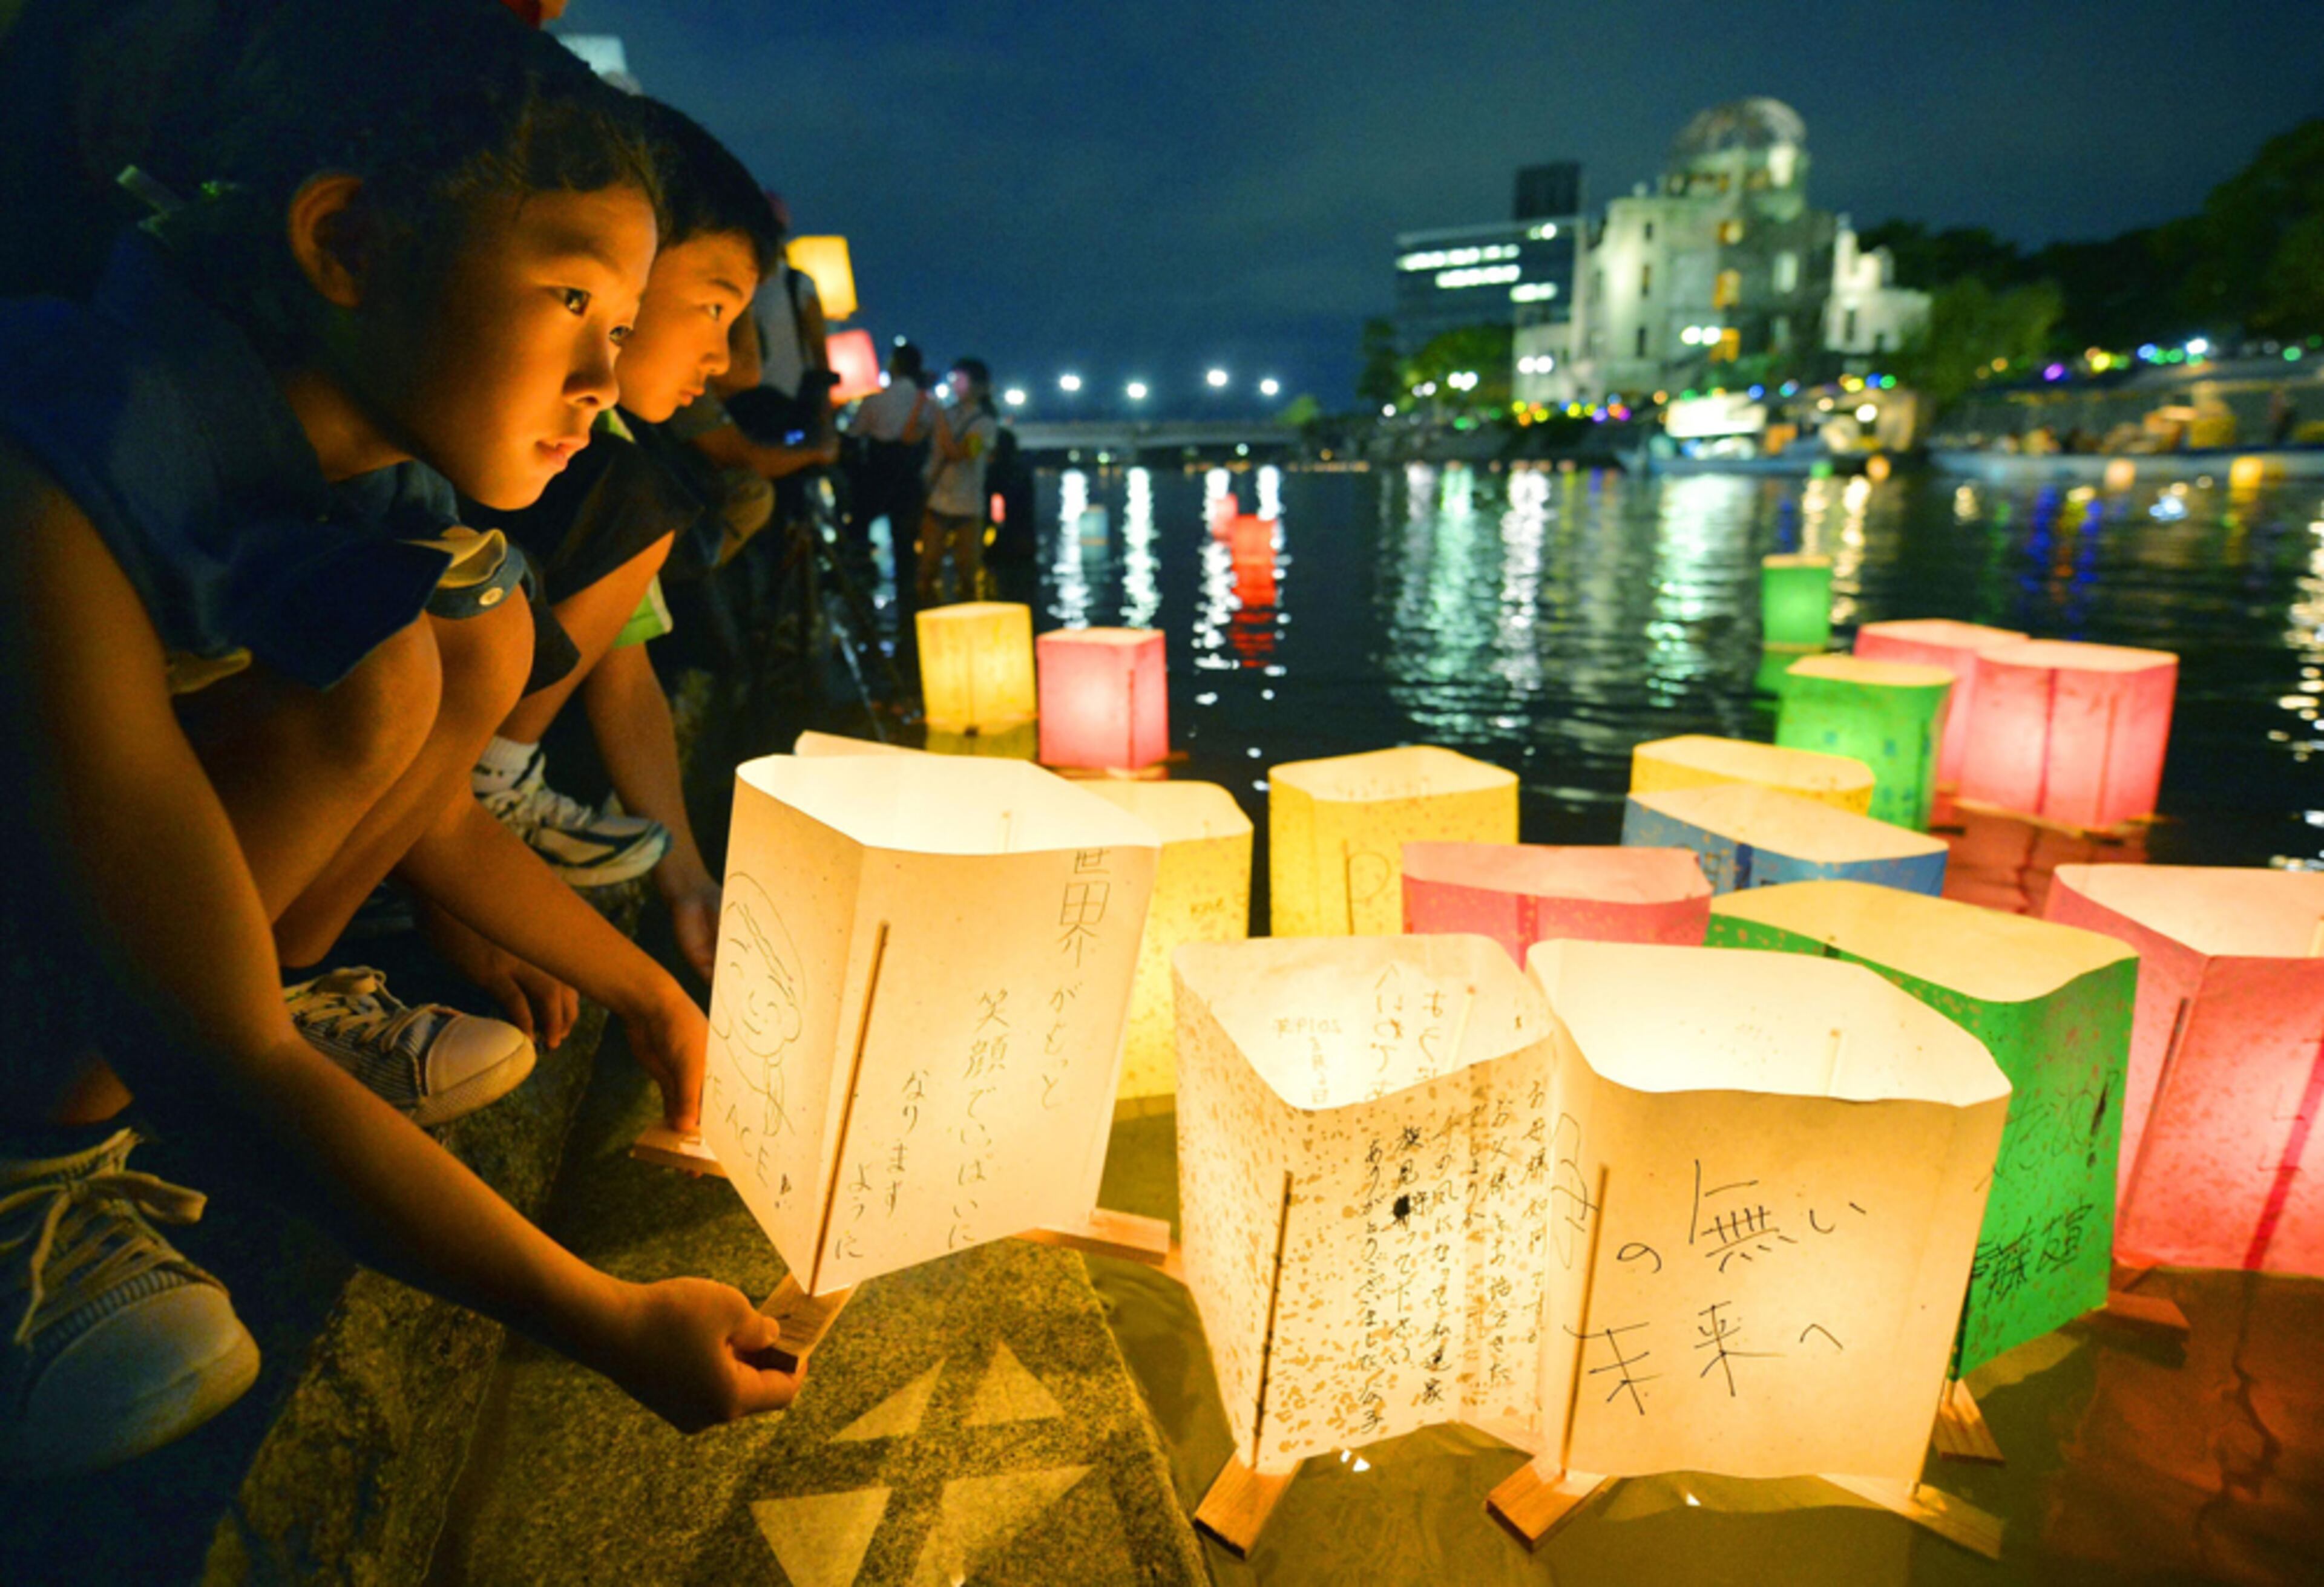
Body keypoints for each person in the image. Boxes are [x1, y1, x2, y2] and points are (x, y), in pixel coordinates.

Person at [0, 1, 797, 1477]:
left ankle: (287, 988)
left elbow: (434, 819)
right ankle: (27, 1179)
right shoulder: (52, 473)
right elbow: (222, 1043)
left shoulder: (367, 489)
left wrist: (642, 990)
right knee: (383, 672)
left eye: (624, 331)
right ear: (348, 244)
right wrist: (609, 1316)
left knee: (465, 636)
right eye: (570, 303)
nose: (605, 384)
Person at [462, 97, 783, 990]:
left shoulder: (618, 457)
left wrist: (686, 877)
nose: (724, 360)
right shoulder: (599, 470)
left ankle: (491, 786)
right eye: (714, 310)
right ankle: (490, 784)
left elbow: (623, 666)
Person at [918, 358, 999, 603]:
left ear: (977, 386)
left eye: (960, 380)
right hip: (938, 501)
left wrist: (939, 418)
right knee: (928, 568)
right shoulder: (947, 415)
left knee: (967, 573)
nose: (955, 385)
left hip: (967, 506)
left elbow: (958, 453)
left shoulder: (984, 425)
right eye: (953, 380)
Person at [842, 340, 934, 552]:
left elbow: (854, 434)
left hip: (876, 475)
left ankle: (859, 568)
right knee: (905, 542)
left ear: (894, 365)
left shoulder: (875, 401)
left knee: (860, 525)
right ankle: (907, 583)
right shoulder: (926, 403)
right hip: (912, 476)